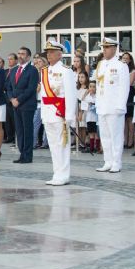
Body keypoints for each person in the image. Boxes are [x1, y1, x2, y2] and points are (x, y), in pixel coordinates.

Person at [39, 41, 77, 186]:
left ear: (59, 54)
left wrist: (69, 116)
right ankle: (57, 173)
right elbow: (43, 95)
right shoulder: (44, 71)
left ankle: (64, 175)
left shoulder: (66, 70)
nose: (48, 55)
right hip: (48, 112)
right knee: (53, 146)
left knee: (62, 145)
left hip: (59, 111)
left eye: (51, 52)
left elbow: (70, 95)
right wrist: (43, 114)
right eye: (47, 52)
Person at [95, 38, 130, 173]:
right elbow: (99, 85)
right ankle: (107, 161)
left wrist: (121, 106)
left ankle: (116, 162)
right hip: (102, 105)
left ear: (115, 49)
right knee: (105, 136)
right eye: (103, 47)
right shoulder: (101, 64)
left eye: (107, 47)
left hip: (114, 106)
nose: (104, 50)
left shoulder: (121, 65)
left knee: (116, 136)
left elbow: (124, 87)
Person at [6, 47, 39, 164]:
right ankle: (21, 154)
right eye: (19, 53)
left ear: (28, 57)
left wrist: (18, 100)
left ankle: (27, 155)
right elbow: (8, 87)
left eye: (23, 54)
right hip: (15, 105)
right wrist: (11, 99)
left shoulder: (32, 70)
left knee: (27, 131)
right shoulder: (14, 70)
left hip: (27, 105)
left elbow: (31, 89)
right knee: (19, 131)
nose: (20, 56)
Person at [121, 52, 135, 150]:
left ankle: (131, 140)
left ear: (130, 60)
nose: (125, 60)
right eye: (123, 58)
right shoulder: (120, 69)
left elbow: (129, 82)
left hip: (130, 92)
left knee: (130, 118)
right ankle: (125, 140)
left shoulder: (132, 70)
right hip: (122, 93)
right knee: (124, 118)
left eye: (127, 58)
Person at [81, 80, 100, 153]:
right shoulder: (87, 96)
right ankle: (92, 148)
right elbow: (83, 102)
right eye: (90, 87)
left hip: (95, 118)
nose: (92, 88)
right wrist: (86, 93)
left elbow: (96, 104)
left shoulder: (97, 96)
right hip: (89, 117)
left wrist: (92, 103)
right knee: (91, 133)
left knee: (96, 133)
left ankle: (97, 147)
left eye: (94, 87)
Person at [3, 53, 17, 145]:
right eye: (8, 59)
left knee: (14, 120)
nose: (9, 61)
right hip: (5, 99)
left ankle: (15, 138)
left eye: (11, 59)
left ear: (16, 60)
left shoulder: (16, 70)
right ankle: (9, 136)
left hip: (13, 98)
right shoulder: (6, 71)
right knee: (7, 120)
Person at [76, 72, 89, 150]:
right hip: (77, 109)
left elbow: (83, 101)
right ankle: (79, 142)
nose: (80, 79)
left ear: (86, 78)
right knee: (78, 126)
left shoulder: (87, 90)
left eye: (82, 77)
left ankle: (83, 143)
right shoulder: (77, 89)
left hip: (83, 110)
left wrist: (81, 112)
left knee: (82, 126)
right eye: (79, 77)